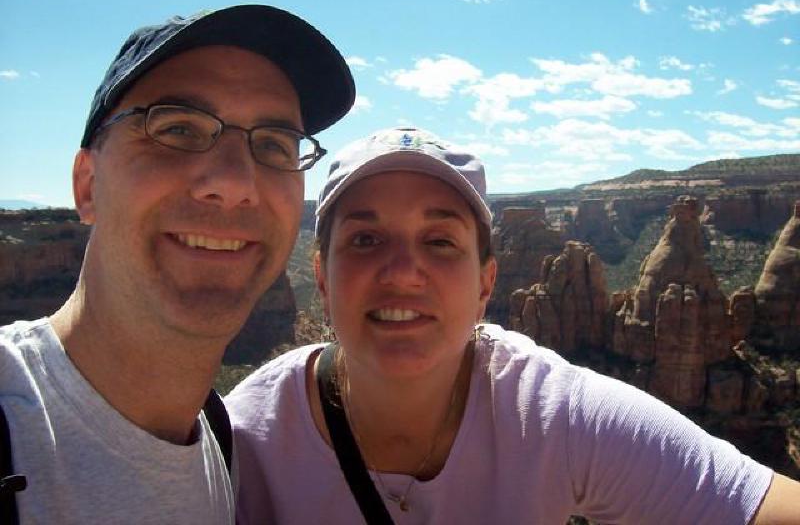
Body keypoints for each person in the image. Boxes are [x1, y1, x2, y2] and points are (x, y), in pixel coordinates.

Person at [226, 126, 800, 524]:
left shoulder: (550, 413)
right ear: (321, 277)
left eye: (440, 241)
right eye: (366, 239)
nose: (402, 272)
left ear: (485, 284)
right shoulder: (240, 444)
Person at [0, 4, 354, 524]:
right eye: (178, 129)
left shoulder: (222, 444)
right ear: (88, 184)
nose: (233, 182)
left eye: (275, 144)